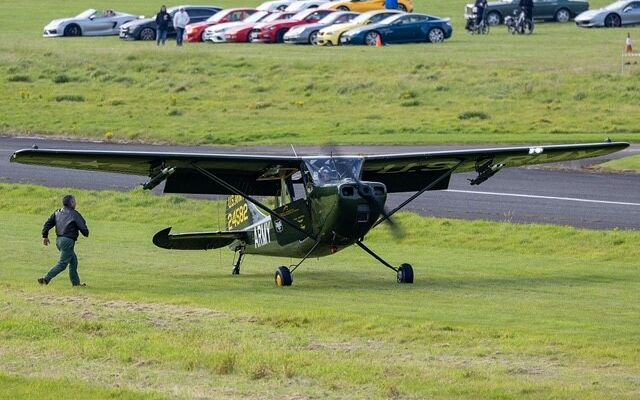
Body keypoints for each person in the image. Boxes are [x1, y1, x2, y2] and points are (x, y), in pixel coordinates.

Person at [38, 195, 89, 287]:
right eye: (74, 201)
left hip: (59, 241)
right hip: (67, 242)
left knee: (73, 261)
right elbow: (83, 226)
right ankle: (46, 279)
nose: (76, 203)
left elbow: (47, 224)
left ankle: (76, 284)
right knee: (62, 264)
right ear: (71, 203)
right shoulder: (74, 214)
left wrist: (45, 236)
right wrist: (85, 232)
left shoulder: (57, 212)